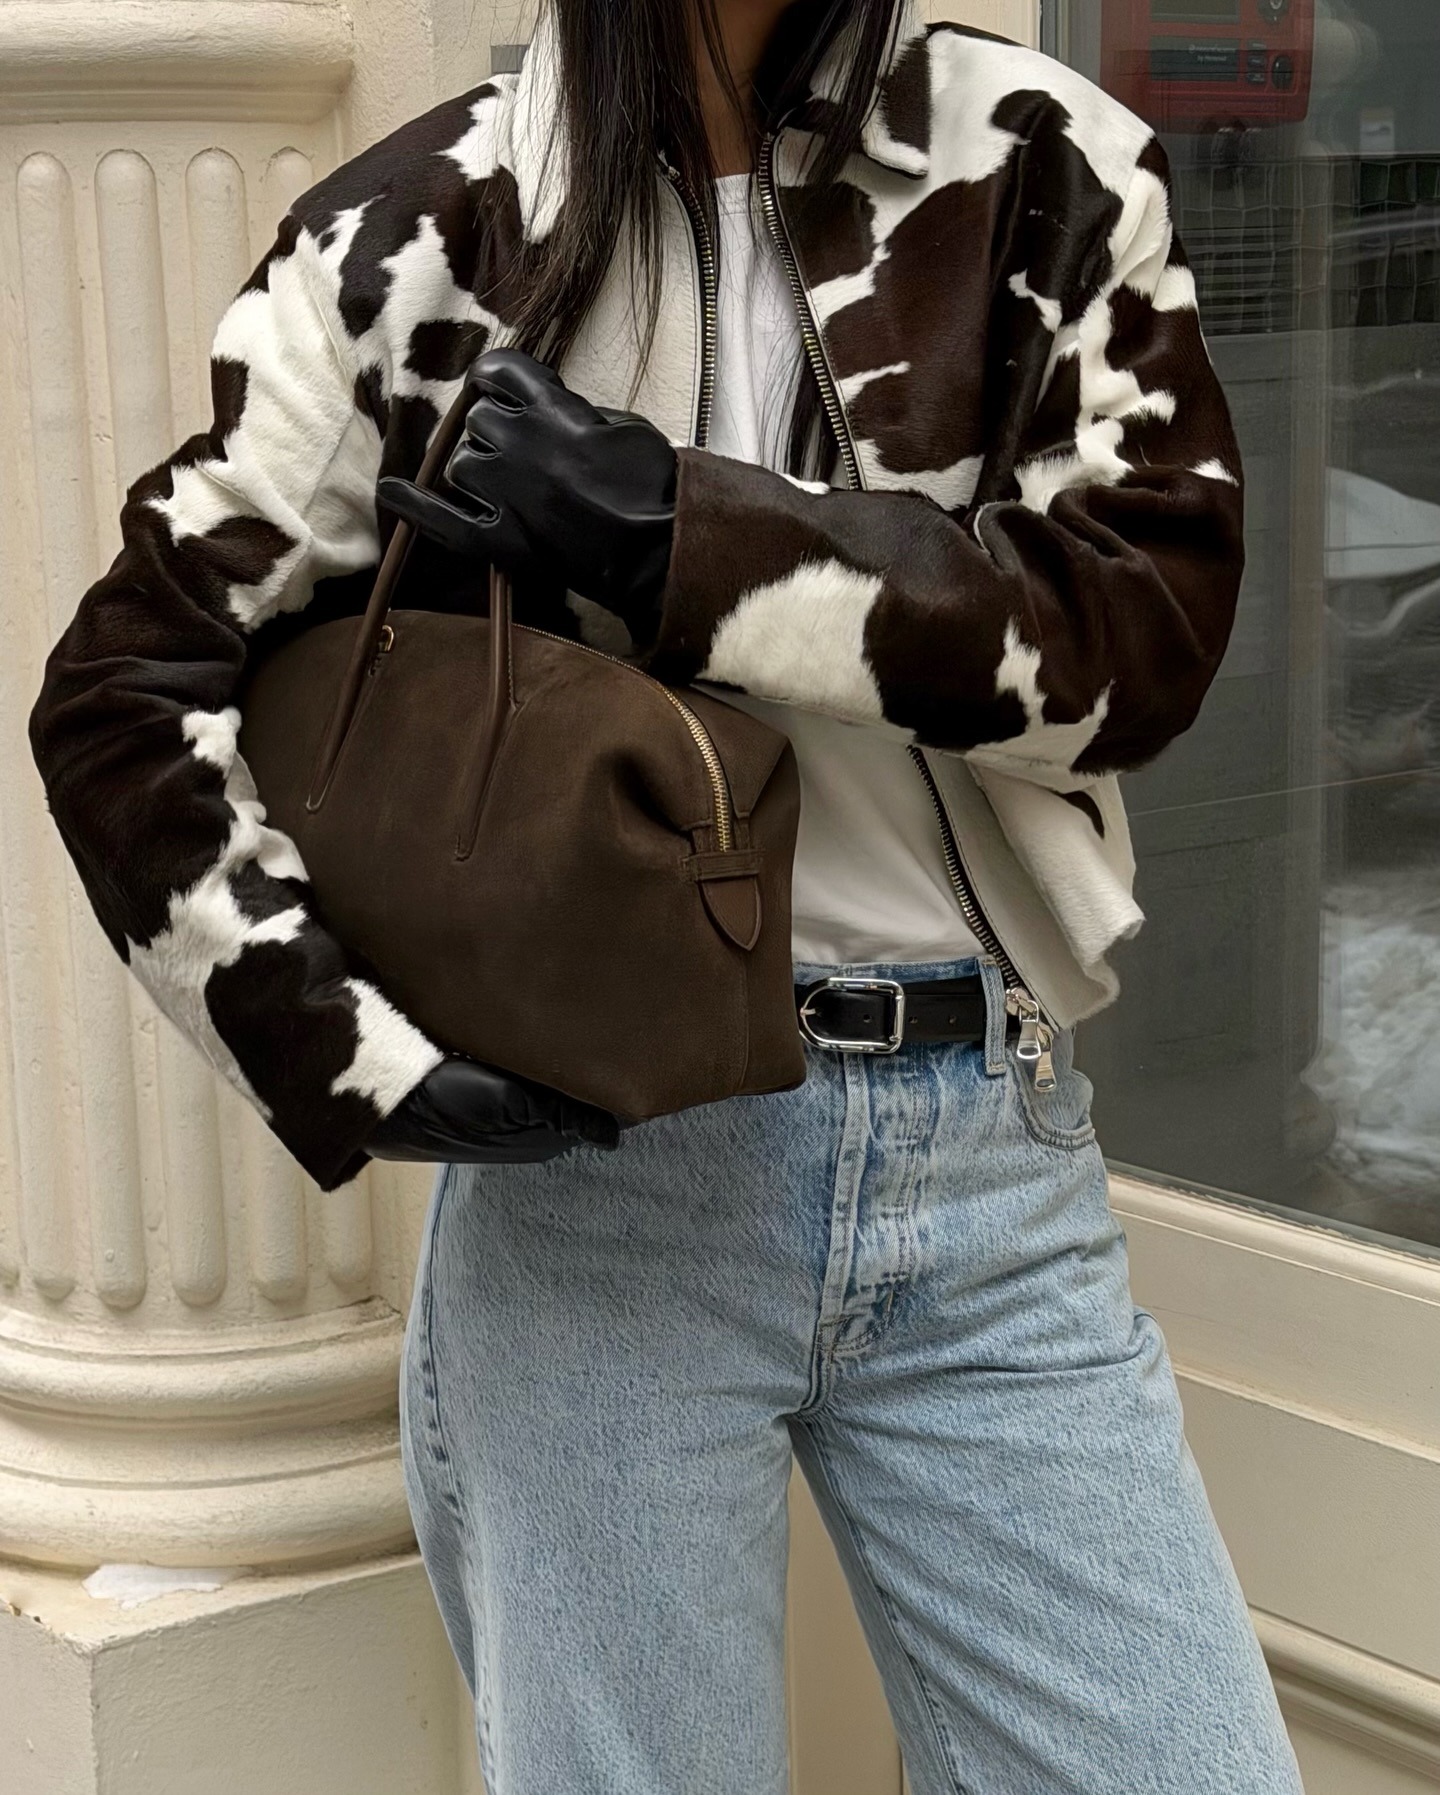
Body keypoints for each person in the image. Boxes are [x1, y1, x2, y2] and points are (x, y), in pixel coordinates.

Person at [29, 0, 1306, 1789]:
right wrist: (348, 1054)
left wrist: (683, 537)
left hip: (984, 1168)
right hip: (607, 1200)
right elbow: (122, 698)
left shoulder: (1036, 166)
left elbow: (1139, 640)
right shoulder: (433, 228)